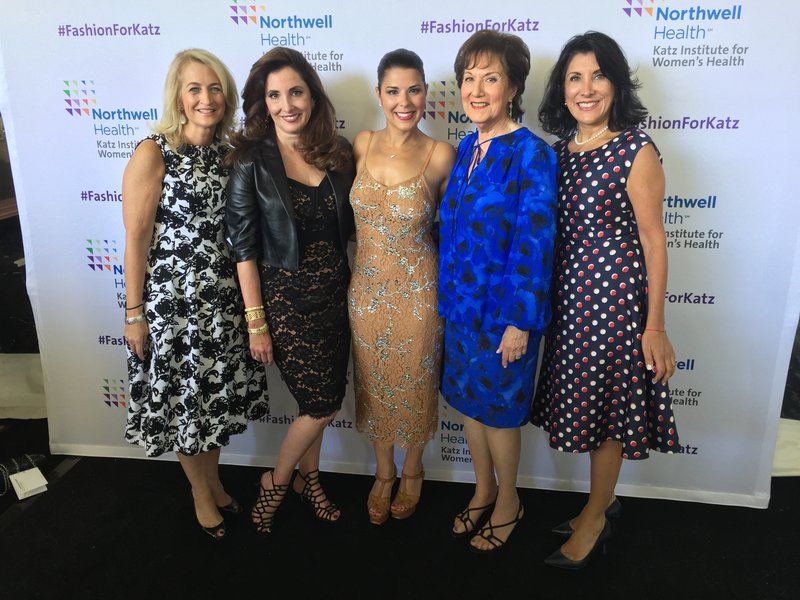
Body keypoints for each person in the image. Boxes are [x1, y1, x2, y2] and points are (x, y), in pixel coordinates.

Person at [532, 31, 680, 569]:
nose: (586, 88)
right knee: (588, 408)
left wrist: (655, 325)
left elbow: (654, 241)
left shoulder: (635, 149)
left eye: (598, 75)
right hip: (568, 304)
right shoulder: (559, 153)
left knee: (608, 413)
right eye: (575, 77)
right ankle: (600, 501)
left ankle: (596, 516)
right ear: (562, 89)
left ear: (616, 84)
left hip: (615, 306)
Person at [122, 48, 268, 542]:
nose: (207, 98)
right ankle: (201, 493)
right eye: (195, 89)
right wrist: (134, 313)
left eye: (214, 88)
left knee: (211, 402)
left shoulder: (228, 154)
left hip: (222, 302)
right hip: (174, 306)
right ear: (178, 97)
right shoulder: (154, 151)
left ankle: (215, 482)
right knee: (187, 401)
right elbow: (136, 237)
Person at [224, 47, 355, 534]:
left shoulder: (338, 152)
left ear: (312, 95)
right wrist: (256, 322)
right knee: (322, 405)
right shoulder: (250, 161)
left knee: (314, 404)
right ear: (263, 103)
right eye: (274, 95)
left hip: (336, 298)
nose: (286, 105)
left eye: (295, 92)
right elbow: (243, 249)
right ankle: (275, 482)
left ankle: (309, 479)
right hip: (285, 303)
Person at [438, 29, 558, 553]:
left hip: (504, 317)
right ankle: (482, 489)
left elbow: (535, 242)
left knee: (500, 414)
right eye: (469, 79)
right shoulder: (467, 147)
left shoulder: (532, 154)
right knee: (469, 407)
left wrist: (519, 322)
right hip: (460, 311)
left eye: (490, 79)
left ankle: (509, 500)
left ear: (512, 88)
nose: (476, 90)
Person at [349, 49, 456, 525]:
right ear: (379, 95)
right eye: (393, 91)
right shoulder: (362, 143)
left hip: (418, 293)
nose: (404, 101)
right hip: (365, 293)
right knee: (374, 384)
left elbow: (453, 229)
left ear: (425, 93)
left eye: (413, 90)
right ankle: (383, 471)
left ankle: (413, 470)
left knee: (414, 384)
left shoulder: (441, 154)